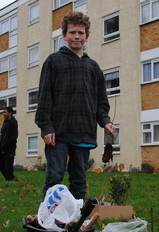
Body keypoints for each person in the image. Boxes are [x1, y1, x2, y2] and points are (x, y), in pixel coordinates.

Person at [35, 11, 115, 200]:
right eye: (72, 32)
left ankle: (76, 219)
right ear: (64, 35)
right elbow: (44, 97)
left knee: (79, 179)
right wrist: (46, 127)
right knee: (55, 177)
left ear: (87, 36)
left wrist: (105, 121)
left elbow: (100, 102)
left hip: (83, 132)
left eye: (80, 32)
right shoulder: (53, 61)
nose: (76, 36)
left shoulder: (93, 67)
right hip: (58, 133)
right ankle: (49, 219)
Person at [0, 107, 18, 182]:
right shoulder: (5, 122)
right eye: (3, 112)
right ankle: (10, 177)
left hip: (9, 147)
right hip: (1, 147)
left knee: (8, 164)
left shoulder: (13, 122)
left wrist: (6, 143)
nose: (3, 114)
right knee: (1, 163)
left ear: (10, 113)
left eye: (5, 112)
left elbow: (14, 136)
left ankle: (9, 179)